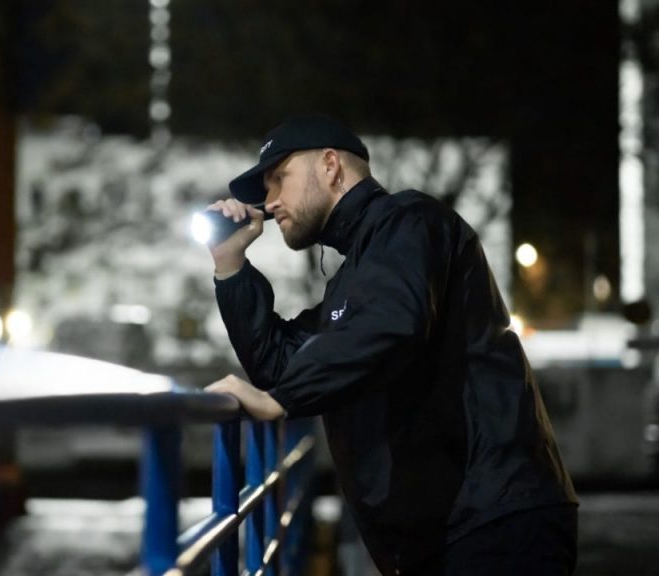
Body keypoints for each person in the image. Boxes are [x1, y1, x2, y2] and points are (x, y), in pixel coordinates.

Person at [202, 115, 578, 575]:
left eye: (280, 178)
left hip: (492, 521)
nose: (270, 200)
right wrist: (231, 266)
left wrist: (281, 400)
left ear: (330, 165)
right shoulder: (357, 275)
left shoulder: (410, 222)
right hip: (445, 533)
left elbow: (390, 326)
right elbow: (282, 362)